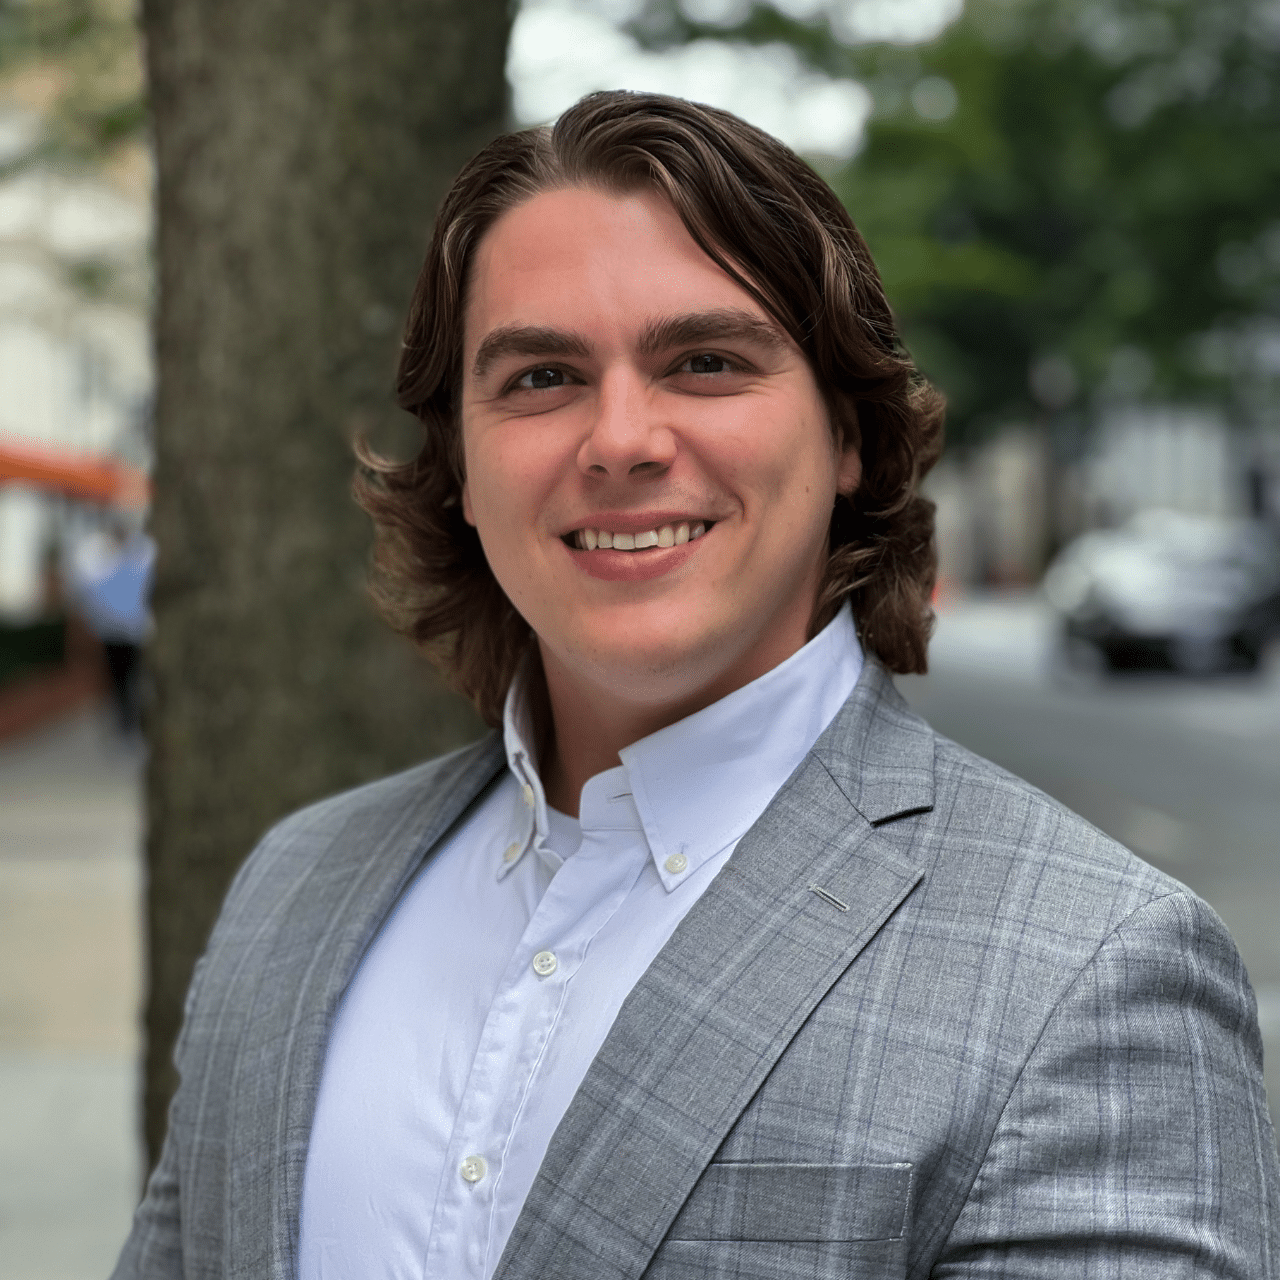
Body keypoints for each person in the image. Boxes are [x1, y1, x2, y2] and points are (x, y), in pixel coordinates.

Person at [112, 91, 1279, 1279]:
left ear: (846, 436)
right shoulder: (293, 888)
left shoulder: (1091, 971)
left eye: (705, 361)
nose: (619, 437)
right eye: (539, 377)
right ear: (457, 465)